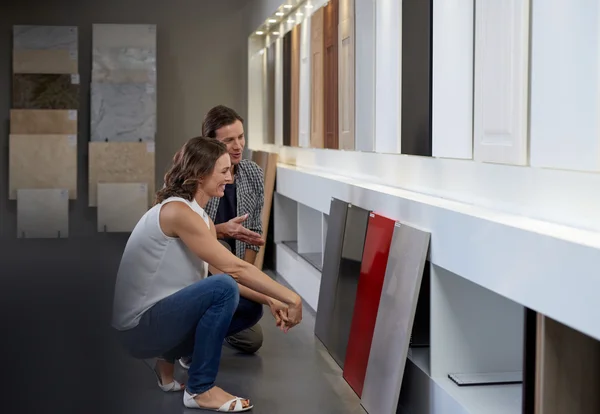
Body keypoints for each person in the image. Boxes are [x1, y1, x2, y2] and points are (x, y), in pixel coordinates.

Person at [111, 137, 302, 412]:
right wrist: (292, 298)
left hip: (159, 318)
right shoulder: (176, 211)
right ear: (200, 174)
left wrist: (270, 299)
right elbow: (232, 269)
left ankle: (168, 360)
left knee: (249, 307)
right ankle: (200, 389)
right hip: (136, 330)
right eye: (223, 172)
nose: (230, 178)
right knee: (223, 287)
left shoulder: (201, 218)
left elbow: (225, 274)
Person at [200, 105, 266, 355]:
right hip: (198, 269)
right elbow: (184, 234)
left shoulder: (252, 174)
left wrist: (246, 278)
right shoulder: (195, 175)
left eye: (241, 137)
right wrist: (220, 231)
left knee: (252, 339)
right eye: (229, 140)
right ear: (211, 143)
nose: (238, 145)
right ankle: (188, 340)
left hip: (230, 270)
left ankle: (204, 328)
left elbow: (254, 234)